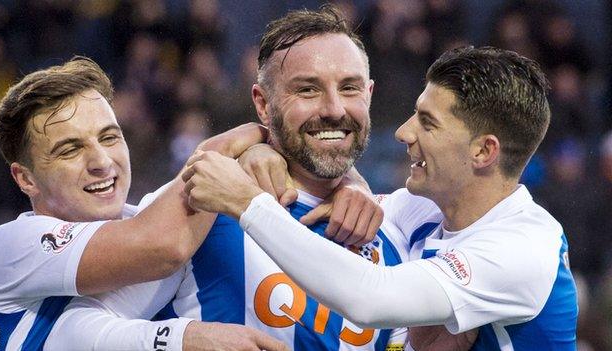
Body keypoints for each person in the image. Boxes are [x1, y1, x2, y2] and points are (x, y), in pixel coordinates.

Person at [44, 6, 418, 351]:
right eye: (307, 89)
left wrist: (354, 183)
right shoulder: (203, 206)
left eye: (349, 88)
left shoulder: (397, 229)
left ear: (368, 95)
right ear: (263, 104)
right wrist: (183, 338)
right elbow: (67, 332)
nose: (334, 109)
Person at [183, 46, 579, 349]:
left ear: (482, 152)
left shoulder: (522, 249)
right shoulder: (427, 206)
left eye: (427, 123)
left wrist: (248, 204)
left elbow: (370, 297)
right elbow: (339, 186)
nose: (404, 133)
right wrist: (263, 150)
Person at [0, 57, 288, 350]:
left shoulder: (152, 218)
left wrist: (264, 157)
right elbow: (162, 246)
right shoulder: (7, 249)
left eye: (109, 138)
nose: (102, 162)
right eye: (70, 150)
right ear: (25, 179)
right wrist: (232, 144)